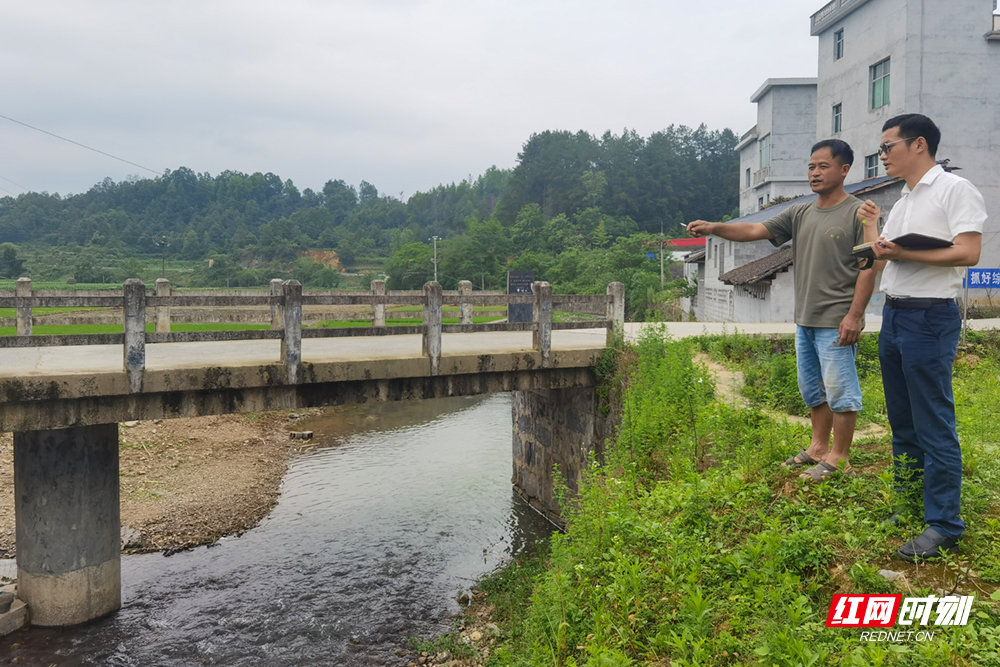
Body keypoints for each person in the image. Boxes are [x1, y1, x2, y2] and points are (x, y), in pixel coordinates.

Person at [687, 139, 877, 483]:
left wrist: (855, 315)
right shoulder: (800, 212)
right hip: (804, 318)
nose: (815, 173)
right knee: (812, 390)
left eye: (823, 166)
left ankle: (840, 458)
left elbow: (869, 267)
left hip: (836, 319)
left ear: (844, 169)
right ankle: (818, 447)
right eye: (811, 167)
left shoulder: (857, 212)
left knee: (841, 391)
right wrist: (715, 228)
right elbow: (753, 230)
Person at [867, 114, 986, 562]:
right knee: (903, 420)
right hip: (896, 315)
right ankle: (909, 503)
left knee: (933, 421)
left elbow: (969, 252)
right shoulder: (903, 199)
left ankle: (944, 524)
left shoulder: (955, 189)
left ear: (918, 144)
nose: (882, 155)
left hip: (929, 318)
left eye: (887, 147)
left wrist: (902, 250)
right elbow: (888, 257)